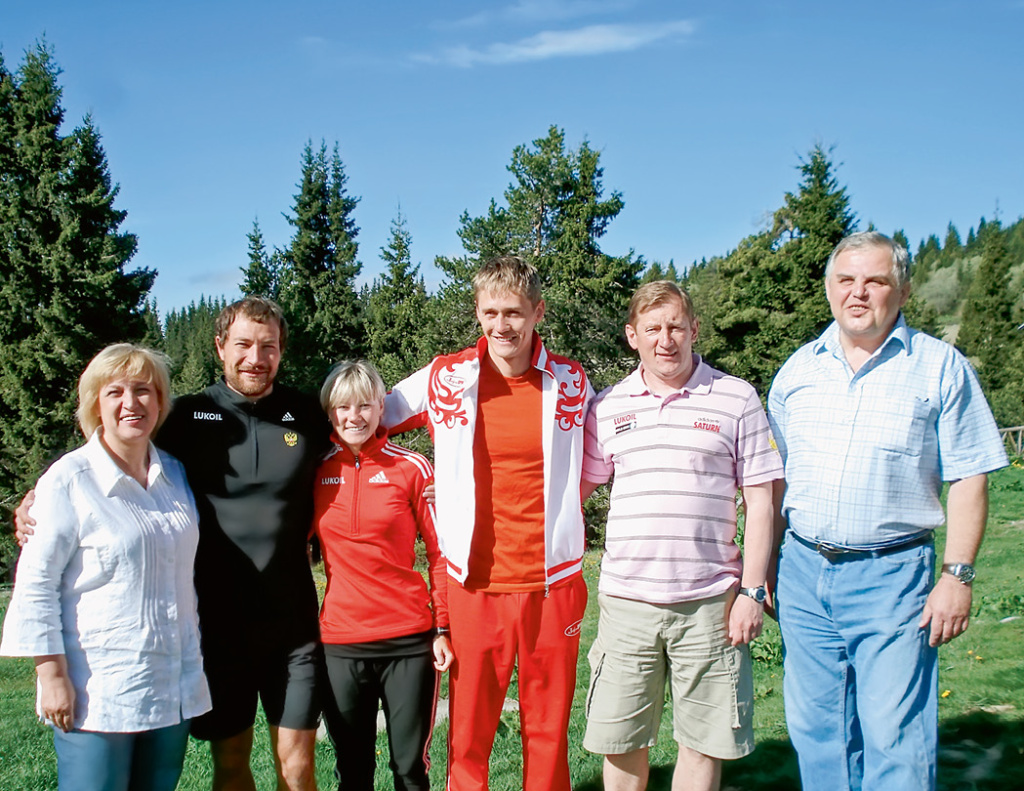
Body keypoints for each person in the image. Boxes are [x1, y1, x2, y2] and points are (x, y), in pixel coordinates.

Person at [16, 297, 332, 791]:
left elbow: (369, 432)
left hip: (292, 626)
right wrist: (39, 495)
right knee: (230, 766)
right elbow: (118, 447)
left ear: (282, 351)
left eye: (268, 346)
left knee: (297, 768)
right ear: (220, 347)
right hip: (216, 629)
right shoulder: (185, 416)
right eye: (244, 344)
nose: (256, 357)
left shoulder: (309, 415)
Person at [766, 231, 1009, 790]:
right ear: (828, 289)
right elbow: (777, 481)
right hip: (802, 573)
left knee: (895, 736)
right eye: (845, 280)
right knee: (816, 733)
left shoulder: (940, 367)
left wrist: (958, 575)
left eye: (874, 281)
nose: (858, 293)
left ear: (901, 291)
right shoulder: (797, 372)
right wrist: (768, 570)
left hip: (894, 577)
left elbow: (970, 474)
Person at [382, 255, 591, 791]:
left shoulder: (571, 380)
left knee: (547, 729)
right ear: (477, 312)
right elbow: (364, 415)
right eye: (491, 312)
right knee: (470, 733)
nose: (503, 326)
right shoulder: (446, 377)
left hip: (554, 581)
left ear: (537, 312)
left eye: (516, 313)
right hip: (474, 584)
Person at [580, 281, 782, 791]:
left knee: (703, 743)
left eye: (675, 326)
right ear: (633, 336)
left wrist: (753, 591)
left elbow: (762, 500)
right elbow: (575, 491)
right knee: (622, 743)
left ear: (694, 329)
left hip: (711, 603)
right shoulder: (608, 406)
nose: (665, 339)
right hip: (627, 603)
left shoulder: (736, 398)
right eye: (652, 328)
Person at [1, 344, 211, 791]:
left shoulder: (174, 474)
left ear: (160, 401)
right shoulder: (68, 479)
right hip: (98, 690)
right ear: (95, 403)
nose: (131, 403)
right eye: (115, 392)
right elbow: (37, 584)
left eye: (143, 390)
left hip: (170, 684)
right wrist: (51, 674)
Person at [312, 360, 453, 790]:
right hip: (340, 643)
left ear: (380, 408)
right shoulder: (314, 471)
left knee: (410, 768)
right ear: (330, 412)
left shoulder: (412, 467)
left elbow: (440, 553)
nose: (354, 417)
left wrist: (443, 626)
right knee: (352, 771)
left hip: (408, 642)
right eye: (343, 407)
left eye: (364, 406)